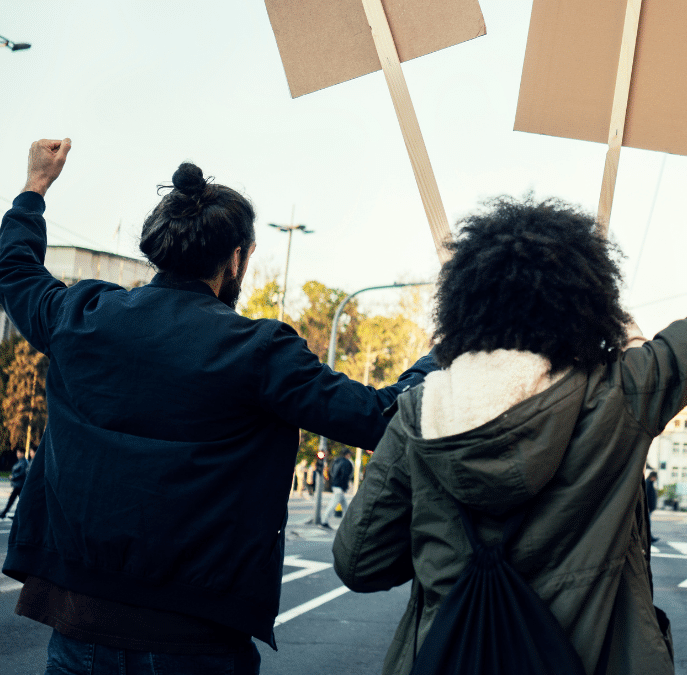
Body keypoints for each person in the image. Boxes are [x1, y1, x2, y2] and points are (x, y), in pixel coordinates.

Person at [332, 107, 687, 675]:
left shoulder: (420, 414)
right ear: (586, 304)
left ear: (464, 308)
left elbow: (359, 562)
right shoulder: (619, 396)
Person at [0, 139, 439, 674]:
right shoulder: (259, 352)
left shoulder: (81, 313)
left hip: (75, 632)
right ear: (236, 258)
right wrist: (444, 348)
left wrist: (34, 188)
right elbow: (381, 419)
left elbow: (17, 271)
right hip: (196, 644)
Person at [321, 449, 355, 527]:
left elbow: (332, 472)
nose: (350, 456)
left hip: (335, 485)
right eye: (349, 454)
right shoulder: (346, 463)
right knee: (333, 504)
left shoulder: (336, 461)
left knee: (345, 506)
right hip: (340, 487)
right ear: (347, 454)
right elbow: (345, 475)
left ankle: (348, 523)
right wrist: (344, 486)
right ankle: (324, 521)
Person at [0, 448, 27, 519]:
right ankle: (6, 513)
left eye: (18, 453)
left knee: (17, 500)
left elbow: (22, 473)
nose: (17, 454)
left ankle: (5, 513)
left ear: (22, 453)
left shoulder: (24, 462)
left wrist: (13, 477)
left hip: (20, 485)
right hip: (17, 485)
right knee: (19, 501)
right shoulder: (20, 461)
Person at [645, 470, 660, 544]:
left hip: (649, 508)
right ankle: (649, 538)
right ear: (653, 477)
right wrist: (646, 506)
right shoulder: (648, 483)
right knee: (647, 524)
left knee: (647, 524)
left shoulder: (649, 483)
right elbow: (646, 496)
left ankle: (649, 538)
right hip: (647, 508)